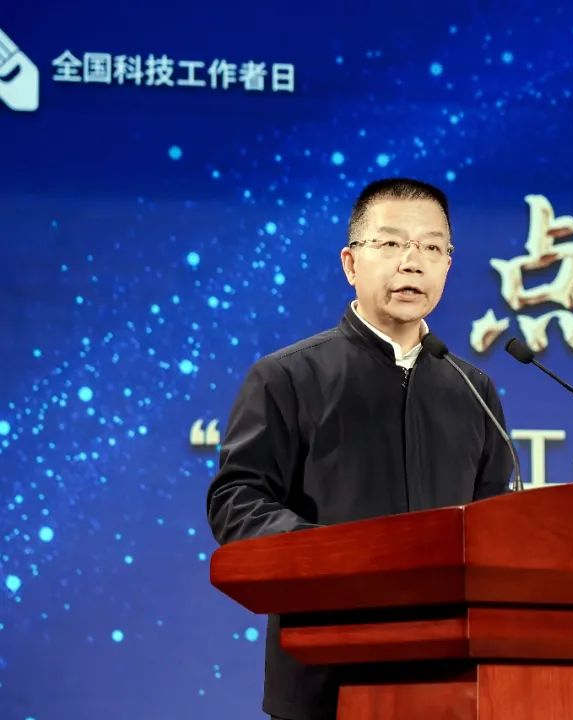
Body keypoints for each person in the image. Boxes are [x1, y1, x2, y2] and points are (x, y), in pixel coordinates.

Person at [206, 177, 514, 720]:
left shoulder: (473, 389)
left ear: (448, 265)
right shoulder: (288, 377)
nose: (412, 262)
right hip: (325, 675)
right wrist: (334, 557)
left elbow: (495, 524)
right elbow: (237, 499)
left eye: (432, 247)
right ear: (351, 263)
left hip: (451, 682)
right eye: (391, 243)